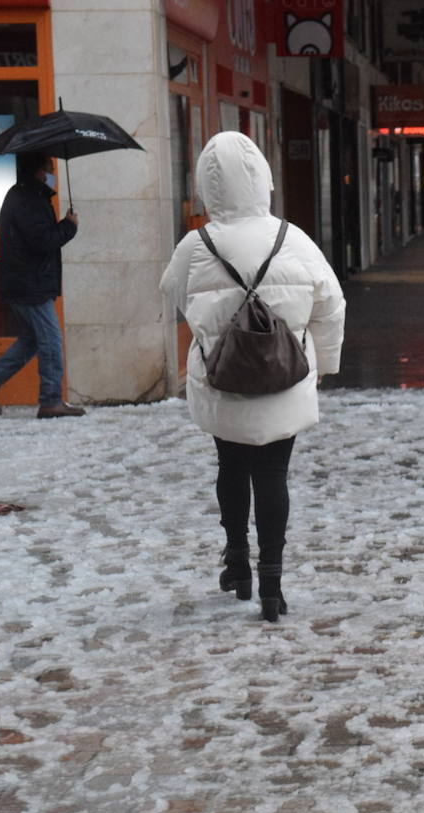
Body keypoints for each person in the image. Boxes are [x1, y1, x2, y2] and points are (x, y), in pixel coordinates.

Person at [159, 131, 346, 624]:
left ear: (207, 187)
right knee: (273, 475)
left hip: (223, 380)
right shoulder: (293, 238)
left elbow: (172, 294)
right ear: (262, 180)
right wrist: (323, 363)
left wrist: (211, 325)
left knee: (231, 467)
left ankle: (237, 563)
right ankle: (272, 582)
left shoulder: (195, 245)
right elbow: (332, 304)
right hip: (284, 378)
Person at [0, 153, 84, 419]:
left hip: (25, 280)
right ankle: (51, 400)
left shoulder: (27, 196)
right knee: (51, 339)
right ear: (39, 171)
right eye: (49, 167)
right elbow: (42, 240)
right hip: (30, 283)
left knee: (31, 340)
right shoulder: (27, 199)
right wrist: (69, 226)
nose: (52, 173)